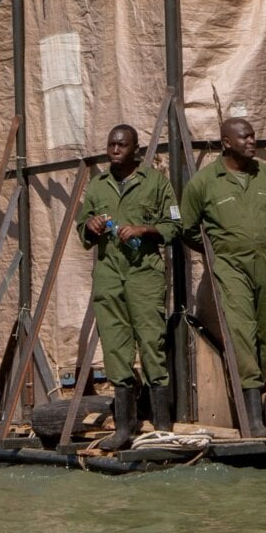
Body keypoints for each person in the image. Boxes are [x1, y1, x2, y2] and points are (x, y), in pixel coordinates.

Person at [181, 116, 266, 436]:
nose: (251, 141)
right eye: (244, 137)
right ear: (226, 142)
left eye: (253, 135)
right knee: (242, 333)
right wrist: (218, 249)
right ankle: (254, 422)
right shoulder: (203, 183)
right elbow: (187, 228)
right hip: (229, 265)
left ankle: (265, 398)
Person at [80, 123, 179, 450]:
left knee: (152, 342)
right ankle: (124, 427)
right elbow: (82, 230)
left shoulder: (156, 183)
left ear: (136, 150)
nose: (114, 150)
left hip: (144, 275)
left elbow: (175, 226)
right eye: (111, 144)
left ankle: (162, 425)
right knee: (115, 346)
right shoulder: (98, 186)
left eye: (121, 145)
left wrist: (144, 230)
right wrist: (90, 226)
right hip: (109, 276)